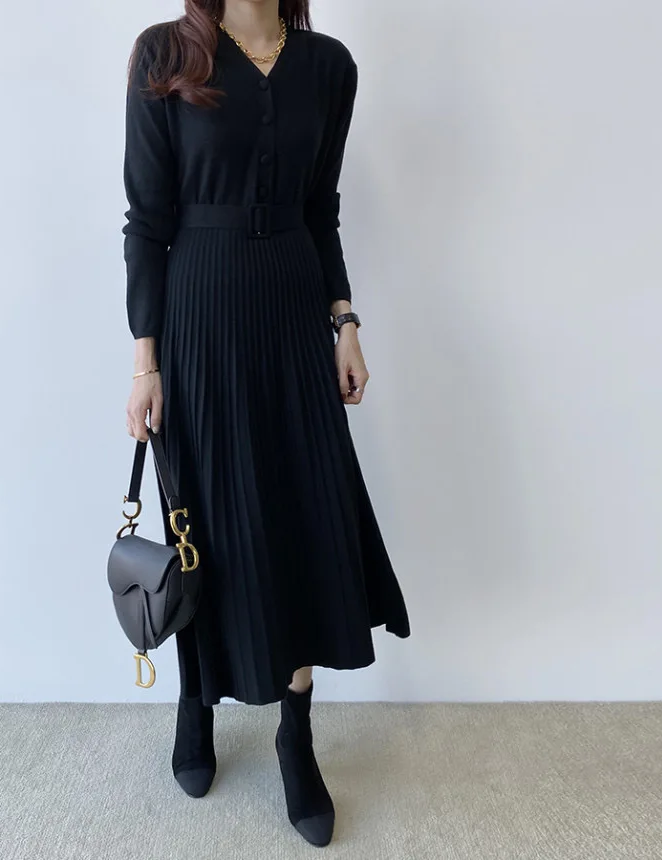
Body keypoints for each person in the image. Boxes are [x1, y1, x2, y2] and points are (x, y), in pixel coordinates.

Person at [122, 0, 410, 847]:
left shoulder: (328, 66)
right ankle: (195, 702)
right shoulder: (166, 53)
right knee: (202, 525)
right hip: (200, 317)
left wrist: (344, 321)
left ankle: (295, 734)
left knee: (299, 520)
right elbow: (147, 221)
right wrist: (146, 363)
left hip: (291, 312)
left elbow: (320, 208)